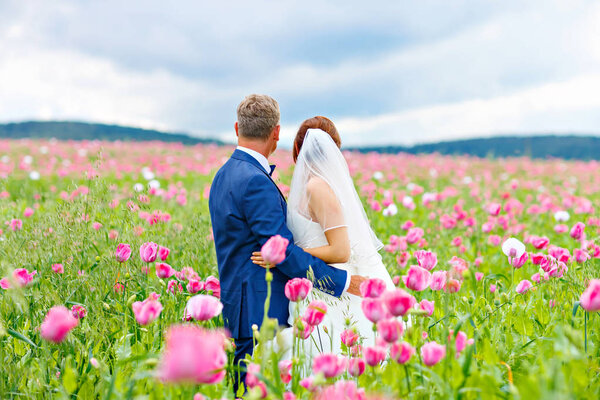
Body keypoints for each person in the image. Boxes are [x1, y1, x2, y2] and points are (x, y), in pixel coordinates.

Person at [208, 95, 366, 395]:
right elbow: (281, 253)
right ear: (276, 133)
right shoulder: (255, 181)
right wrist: (343, 282)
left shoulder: (222, 175)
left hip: (235, 304)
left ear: (236, 127)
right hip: (259, 308)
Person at [252, 116, 395, 356]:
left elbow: (340, 250)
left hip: (327, 292)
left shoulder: (316, 187)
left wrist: (285, 256)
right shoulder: (313, 185)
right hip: (316, 283)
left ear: (297, 149)